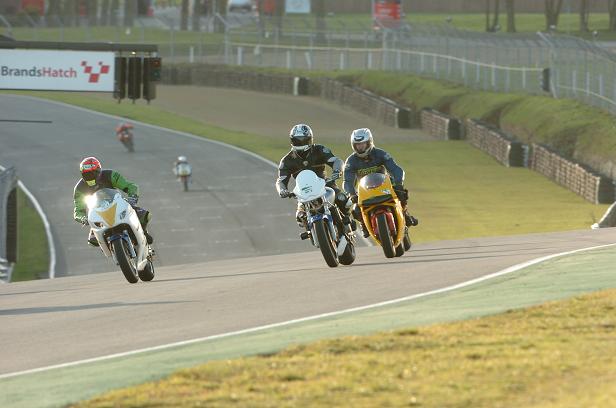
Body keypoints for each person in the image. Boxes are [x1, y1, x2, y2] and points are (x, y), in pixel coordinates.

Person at [343, 128, 418, 238]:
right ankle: (363, 223)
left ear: (369, 142)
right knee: (355, 209)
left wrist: (398, 184)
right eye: (357, 145)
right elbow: (347, 181)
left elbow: (396, 169)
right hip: (365, 190)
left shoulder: (380, 154)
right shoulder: (350, 161)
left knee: (402, 193)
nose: (360, 147)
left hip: (384, 185)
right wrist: (352, 194)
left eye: (363, 144)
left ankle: (405, 213)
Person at [276, 123, 350, 230]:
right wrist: (282, 190)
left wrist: (337, 170)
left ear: (309, 139)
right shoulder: (286, 160)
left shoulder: (319, 150)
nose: (300, 143)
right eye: (297, 140)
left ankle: (347, 222)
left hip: (325, 184)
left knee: (342, 199)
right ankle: (311, 232)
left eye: (302, 140)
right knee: (300, 216)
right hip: (303, 191)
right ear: (292, 141)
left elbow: (336, 160)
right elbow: (281, 180)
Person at [73, 156, 153, 246]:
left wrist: (132, 197)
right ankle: (110, 248)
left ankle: (144, 232)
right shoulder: (79, 188)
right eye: (87, 174)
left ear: (99, 170)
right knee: (92, 241)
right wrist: (83, 218)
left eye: (93, 173)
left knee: (144, 215)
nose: (90, 176)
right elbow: (78, 210)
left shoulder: (110, 175)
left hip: (117, 203)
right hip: (98, 212)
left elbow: (130, 186)